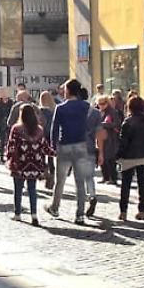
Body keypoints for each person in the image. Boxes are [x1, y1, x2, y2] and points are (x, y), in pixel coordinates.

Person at [46, 79, 94, 225]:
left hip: (64, 145)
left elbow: (54, 128)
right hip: (80, 145)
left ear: (67, 91)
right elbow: (90, 125)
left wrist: (53, 146)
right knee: (80, 182)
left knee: (60, 180)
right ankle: (80, 214)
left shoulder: (60, 108)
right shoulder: (86, 106)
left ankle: (55, 207)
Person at [6, 104, 56, 225]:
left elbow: (11, 146)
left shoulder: (16, 129)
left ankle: (17, 214)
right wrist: (56, 153)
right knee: (32, 190)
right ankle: (34, 215)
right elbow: (45, 147)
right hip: (34, 164)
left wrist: (8, 158)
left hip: (19, 164)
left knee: (18, 189)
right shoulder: (39, 130)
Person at [117, 95, 144, 221]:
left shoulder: (127, 122)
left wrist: (118, 155)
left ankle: (123, 212)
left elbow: (123, 142)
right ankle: (142, 210)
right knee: (142, 183)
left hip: (128, 157)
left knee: (126, 185)